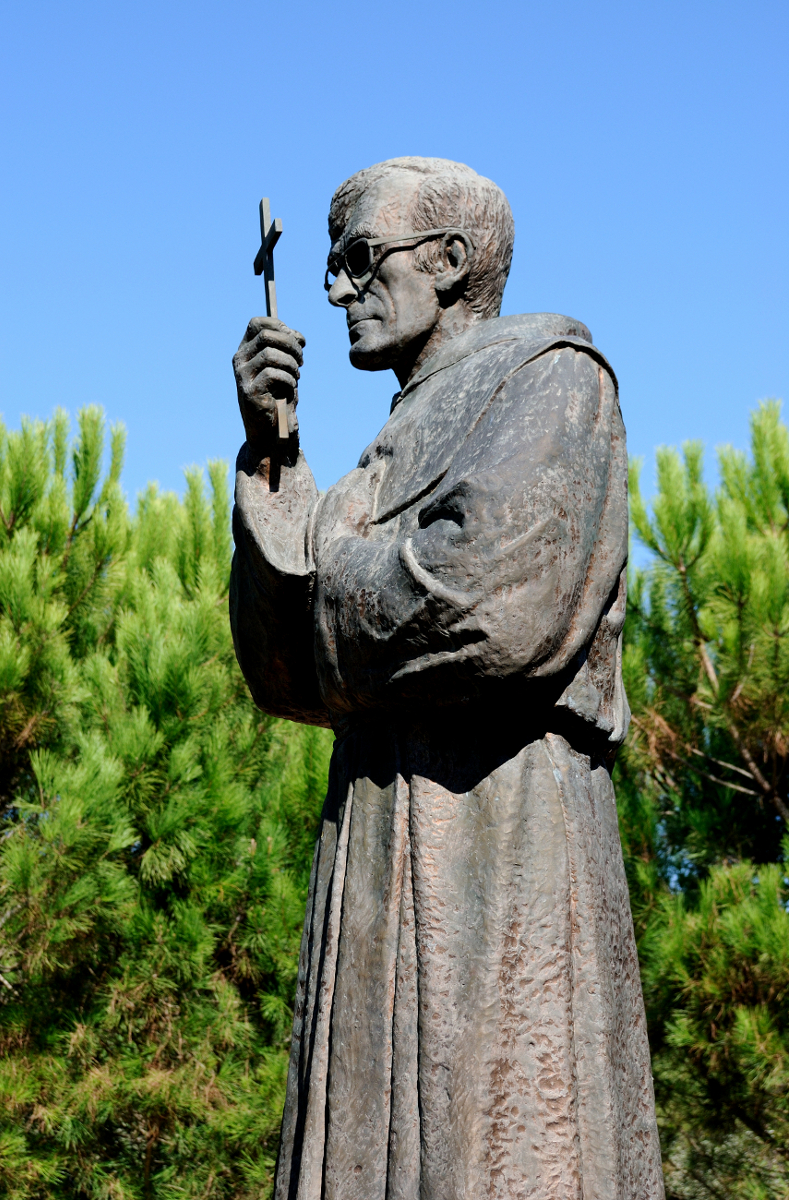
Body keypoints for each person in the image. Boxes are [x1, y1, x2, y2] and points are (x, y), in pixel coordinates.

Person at [230, 157, 664, 1200]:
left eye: (358, 258)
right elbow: (282, 672)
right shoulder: (378, 450)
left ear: (452, 260)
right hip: (375, 824)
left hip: (497, 828)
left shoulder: (551, 381)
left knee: (499, 1139)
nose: (333, 288)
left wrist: (339, 567)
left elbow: (482, 605)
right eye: (330, 265)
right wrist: (274, 454)